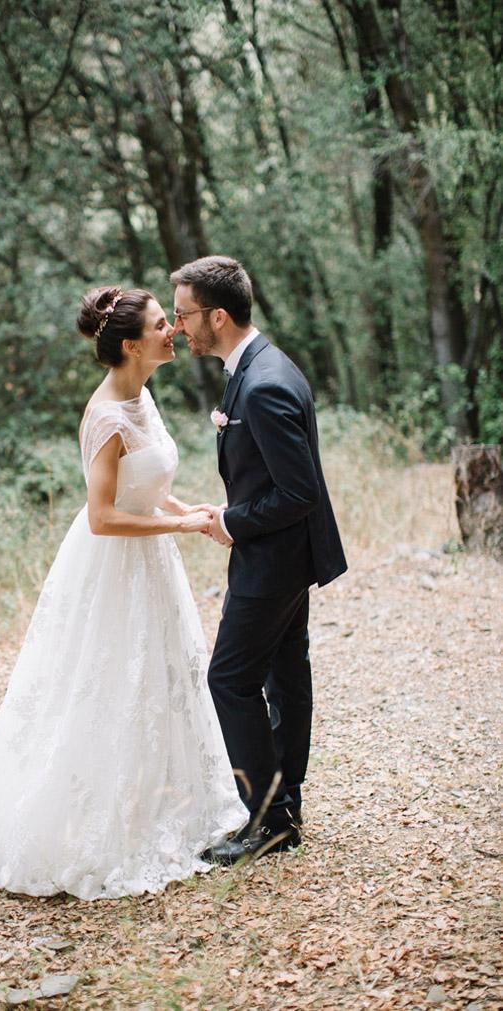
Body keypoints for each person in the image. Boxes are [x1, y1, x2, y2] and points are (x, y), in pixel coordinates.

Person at [0, 286, 246, 900]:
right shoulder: (105, 416)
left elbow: (144, 485)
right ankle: (86, 823)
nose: (172, 331)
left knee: (154, 681)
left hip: (151, 559)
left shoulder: (143, 394)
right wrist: (179, 525)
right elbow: (103, 516)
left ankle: (162, 805)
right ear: (131, 344)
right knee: (104, 685)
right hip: (111, 564)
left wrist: (192, 510)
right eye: (161, 325)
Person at [171, 256, 347, 865]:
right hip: (282, 554)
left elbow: (299, 492)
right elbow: (275, 476)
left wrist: (231, 522)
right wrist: (233, 506)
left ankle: (270, 818)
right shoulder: (257, 365)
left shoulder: (265, 381)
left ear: (217, 316)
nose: (177, 327)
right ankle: (284, 807)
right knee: (285, 677)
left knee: (230, 679)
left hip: (272, 558)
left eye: (185, 314)